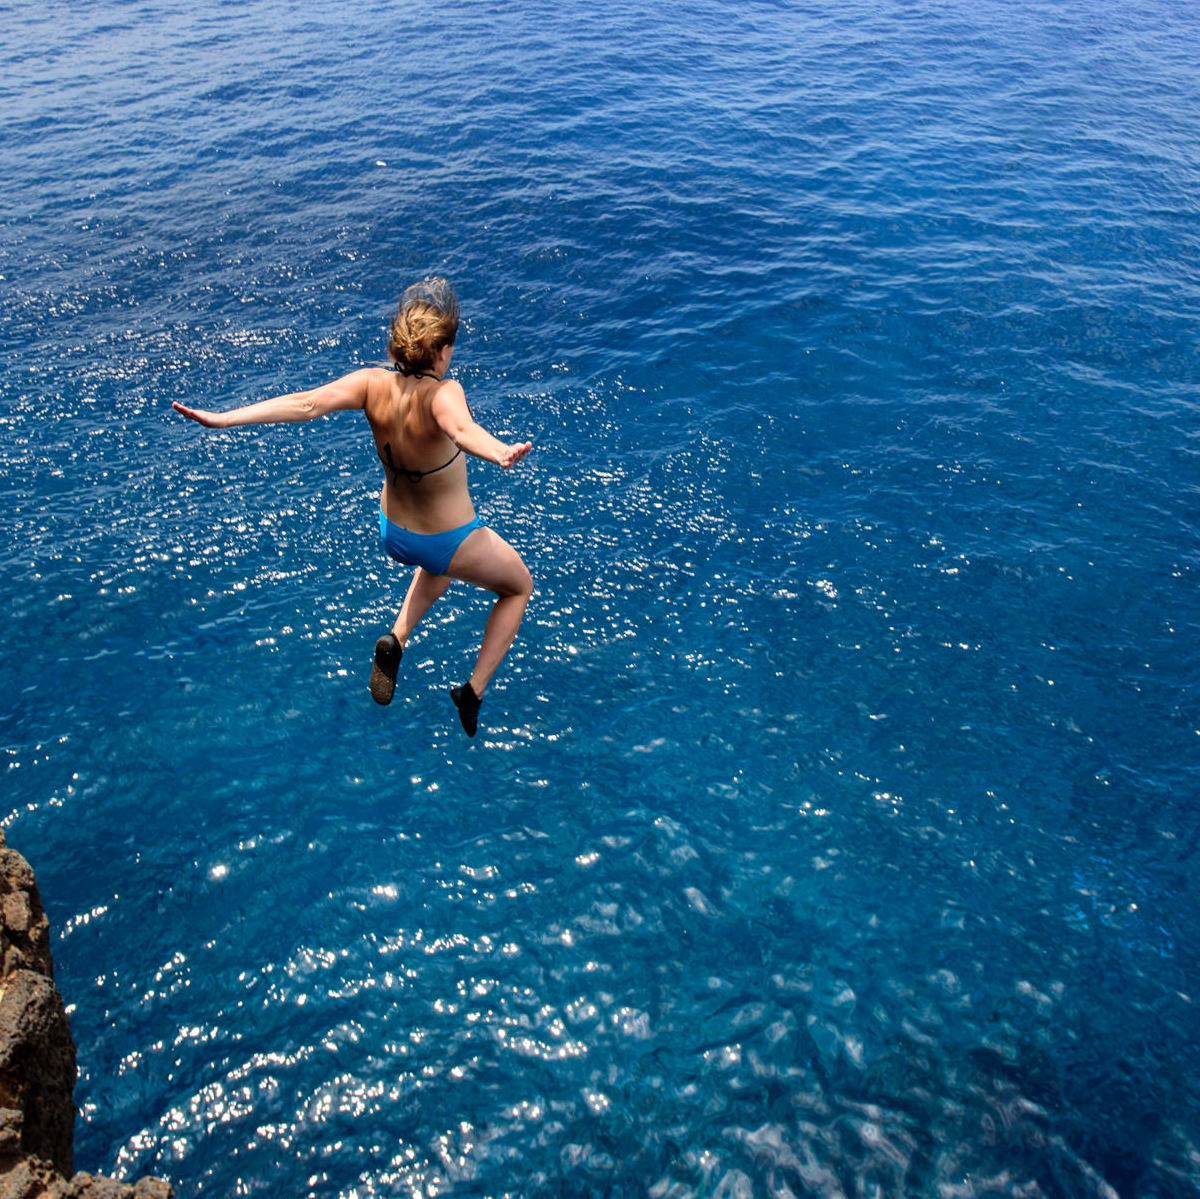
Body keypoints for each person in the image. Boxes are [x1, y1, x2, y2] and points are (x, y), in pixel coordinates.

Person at [173, 278, 533, 737]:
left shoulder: (370, 383)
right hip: (445, 539)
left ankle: (396, 640)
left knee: (441, 565)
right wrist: (499, 451)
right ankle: (473, 691)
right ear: (442, 351)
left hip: (394, 532)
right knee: (517, 587)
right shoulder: (444, 393)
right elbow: (462, 429)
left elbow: (305, 404)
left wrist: (225, 418)